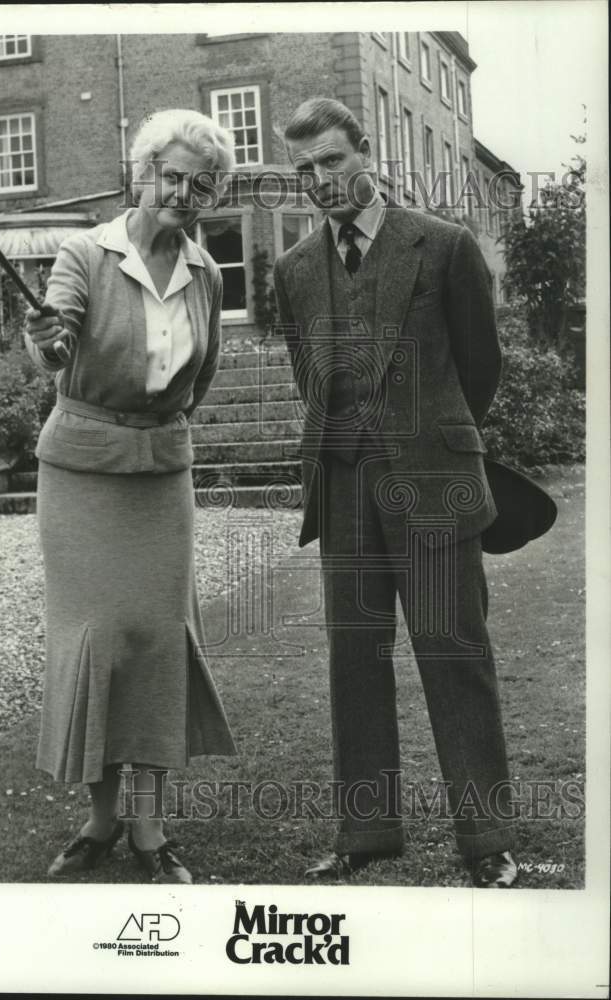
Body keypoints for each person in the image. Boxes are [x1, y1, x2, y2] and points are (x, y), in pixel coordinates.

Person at [272, 97, 518, 888]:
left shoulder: (441, 245)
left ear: (366, 152)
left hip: (433, 483)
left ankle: (486, 843)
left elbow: (479, 366)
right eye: (305, 168)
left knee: (454, 656)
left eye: (333, 160)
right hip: (343, 488)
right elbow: (308, 377)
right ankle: (365, 833)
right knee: (354, 659)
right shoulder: (294, 271)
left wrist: (431, 443)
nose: (319, 179)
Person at [24, 108, 237, 885]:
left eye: (199, 183)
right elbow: (56, 335)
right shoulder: (85, 252)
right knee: (97, 639)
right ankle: (98, 818)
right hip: (81, 473)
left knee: (154, 641)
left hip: (160, 475)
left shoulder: (207, 275)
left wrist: (158, 427)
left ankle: (148, 829)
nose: (181, 192)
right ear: (142, 173)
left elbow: (199, 379)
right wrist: (45, 339)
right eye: (169, 175)